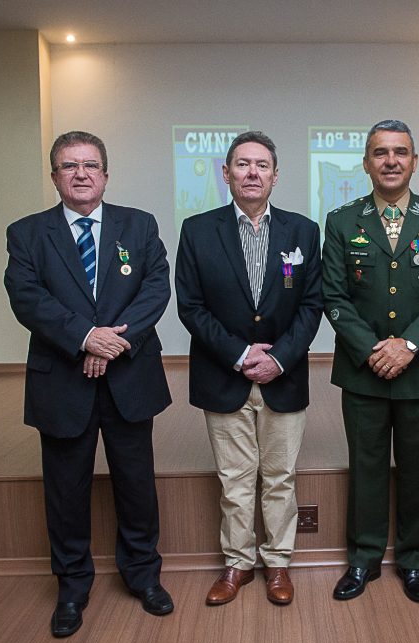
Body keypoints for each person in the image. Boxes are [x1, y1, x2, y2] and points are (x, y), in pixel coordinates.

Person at [4, 131, 174, 637]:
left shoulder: (139, 225)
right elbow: (26, 297)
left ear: (105, 174)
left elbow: (156, 287)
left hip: (129, 375)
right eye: (69, 165)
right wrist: (84, 337)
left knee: (136, 485)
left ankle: (143, 576)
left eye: (90, 165)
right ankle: (72, 586)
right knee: (65, 490)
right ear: (54, 176)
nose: (81, 174)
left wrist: (111, 342)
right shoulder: (27, 233)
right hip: (62, 380)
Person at [322, 120, 419, 603]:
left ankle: (413, 561)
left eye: (400, 152)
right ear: (366, 163)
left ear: (414, 161)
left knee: (417, 470)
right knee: (364, 467)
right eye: (380, 153)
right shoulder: (342, 221)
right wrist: (372, 349)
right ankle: (363, 559)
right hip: (362, 371)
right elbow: (333, 296)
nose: (391, 161)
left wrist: (408, 346)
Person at [175, 131, 322, 606]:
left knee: (280, 477)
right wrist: (240, 355)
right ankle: (237, 563)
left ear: (276, 176)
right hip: (223, 375)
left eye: (262, 165)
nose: (252, 172)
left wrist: (278, 358)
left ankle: (278, 563)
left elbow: (312, 305)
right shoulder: (197, 230)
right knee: (235, 480)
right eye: (242, 164)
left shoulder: (303, 231)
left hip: (284, 375)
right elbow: (191, 307)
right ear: (226, 174)